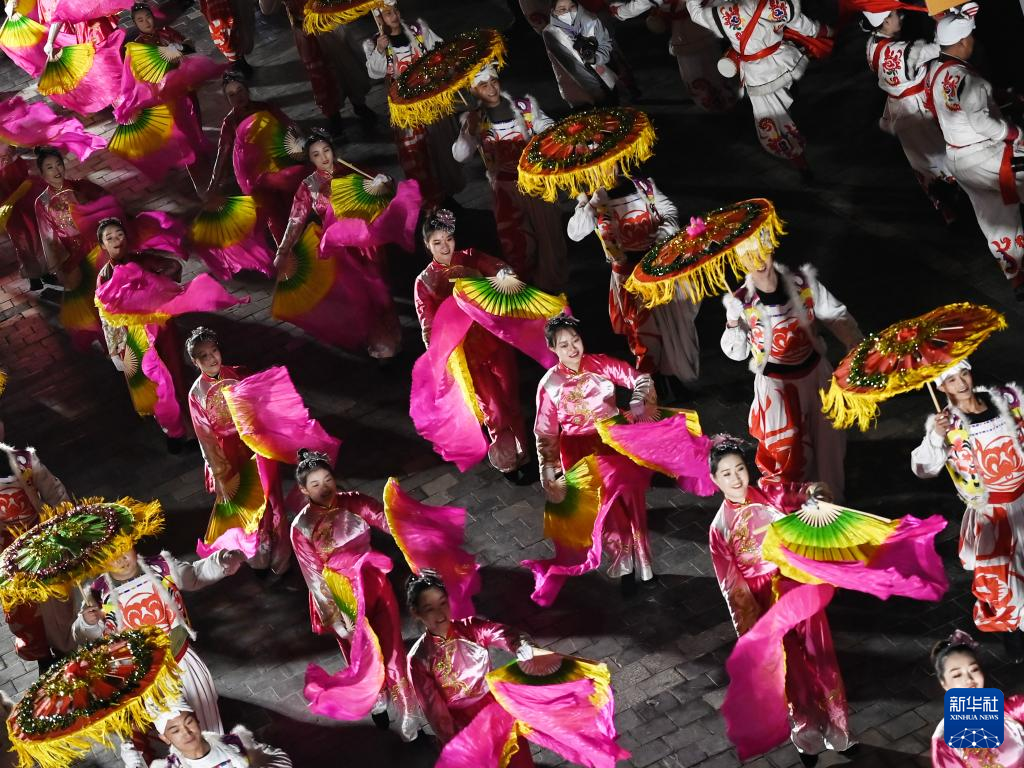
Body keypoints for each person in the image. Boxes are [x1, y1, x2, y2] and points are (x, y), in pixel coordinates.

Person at [707, 436, 851, 766]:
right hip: (763, 603)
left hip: (796, 585)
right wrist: (752, 630)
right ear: (715, 480)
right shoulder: (719, 528)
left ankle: (839, 729)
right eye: (726, 474)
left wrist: (815, 494)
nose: (735, 478)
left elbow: (802, 492)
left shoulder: (769, 492)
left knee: (821, 654)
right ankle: (806, 734)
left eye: (739, 469)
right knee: (791, 671)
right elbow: (731, 584)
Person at [290, 450, 422, 741]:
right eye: (315, 484)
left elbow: (388, 520)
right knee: (362, 654)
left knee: (393, 651)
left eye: (328, 480)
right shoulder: (301, 527)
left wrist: (415, 535)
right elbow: (313, 576)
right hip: (340, 597)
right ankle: (376, 696)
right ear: (303, 490)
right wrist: (337, 619)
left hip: (374, 583)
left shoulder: (355, 502)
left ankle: (409, 712)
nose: (325, 488)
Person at [532, 314, 657, 598]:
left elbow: (639, 378)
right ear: (552, 348)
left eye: (575, 340)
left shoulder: (601, 363)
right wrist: (549, 473)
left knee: (633, 502)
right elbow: (545, 432)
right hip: (579, 452)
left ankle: (645, 565)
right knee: (607, 512)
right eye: (564, 345)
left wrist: (638, 398)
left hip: (614, 440)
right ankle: (624, 568)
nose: (572, 348)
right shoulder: (550, 385)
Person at [721, 253, 861, 500]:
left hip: (816, 378)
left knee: (829, 446)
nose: (757, 260)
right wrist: (732, 321)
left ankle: (832, 505)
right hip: (776, 389)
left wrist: (856, 347)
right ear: (740, 262)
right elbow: (737, 353)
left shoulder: (803, 283)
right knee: (786, 457)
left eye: (761, 250)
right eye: (748, 255)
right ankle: (791, 505)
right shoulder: (741, 301)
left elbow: (837, 316)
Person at [910, 360, 1024, 658]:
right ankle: (1013, 633)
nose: (961, 384)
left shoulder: (1005, 399)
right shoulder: (947, 424)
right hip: (991, 514)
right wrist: (936, 436)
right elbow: (923, 468)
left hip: (1022, 501)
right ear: (941, 387)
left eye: (964, 374)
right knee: (1000, 579)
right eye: (951, 380)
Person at [73, 545, 246, 733]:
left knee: (207, 721)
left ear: (132, 542)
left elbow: (196, 574)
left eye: (123, 548)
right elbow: (86, 635)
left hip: (182, 661)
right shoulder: (97, 593)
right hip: (148, 676)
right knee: (175, 730)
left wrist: (221, 561)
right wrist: (87, 622)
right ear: (100, 560)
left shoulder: (162, 567)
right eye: (111, 554)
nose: (120, 558)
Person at [413, 209, 530, 478]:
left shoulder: (470, 258)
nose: (445, 247)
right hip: (466, 356)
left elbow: (501, 269)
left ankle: (523, 451)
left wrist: (501, 279)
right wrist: (440, 360)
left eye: (449, 239)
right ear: (427, 245)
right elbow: (428, 326)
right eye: (437, 242)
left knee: (510, 398)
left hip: (494, 341)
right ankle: (507, 459)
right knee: (493, 409)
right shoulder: (424, 283)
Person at [273, 131, 401, 360]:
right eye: (316, 154)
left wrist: (386, 183)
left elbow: (386, 192)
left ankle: (392, 339)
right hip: (339, 249)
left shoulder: (352, 170)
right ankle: (379, 346)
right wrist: (284, 249)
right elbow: (296, 218)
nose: (323, 157)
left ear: (333, 150)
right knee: (359, 296)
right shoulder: (309, 185)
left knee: (380, 290)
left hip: (367, 244)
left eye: (326, 151)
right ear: (310, 159)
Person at [926, 5, 1024, 300]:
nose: (973, 42)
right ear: (961, 42)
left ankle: (1017, 279)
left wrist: (1000, 96)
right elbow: (982, 122)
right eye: (970, 38)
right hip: (987, 157)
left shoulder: (934, 72)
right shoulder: (970, 80)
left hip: (959, 160)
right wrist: (1013, 133)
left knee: (995, 219)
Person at [567, 173, 701, 389]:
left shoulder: (642, 185)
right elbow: (575, 233)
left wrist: (662, 237)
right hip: (628, 277)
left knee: (670, 325)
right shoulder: (592, 199)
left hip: (657, 267)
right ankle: (652, 385)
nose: (608, 169)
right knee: (642, 333)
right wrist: (590, 204)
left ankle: (673, 377)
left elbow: (669, 211)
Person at [451, 66, 568, 293]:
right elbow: (460, 155)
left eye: (493, 81)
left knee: (550, 238)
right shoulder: (475, 119)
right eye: (483, 85)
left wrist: (546, 138)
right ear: (473, 91)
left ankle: (552, 290)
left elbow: (549, 128)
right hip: (505, 191)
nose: (491, 88)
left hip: (536, 185)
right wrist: (469, 131)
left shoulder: (525, 107)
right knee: (517, 243)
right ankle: (527, 292)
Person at [186, 327, 292, 576]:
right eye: (204, 356)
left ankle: (281, 555)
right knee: (247, 508)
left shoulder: (239, 373)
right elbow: (205, 437)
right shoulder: (196, 394)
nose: (212, 359)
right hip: (228, 455)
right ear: (195, 362)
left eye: (214, 351)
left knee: (271, 500)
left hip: (254, 445)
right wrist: (220, 472)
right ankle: (258, 558)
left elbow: (261, 405)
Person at [685, 0, 831, 174]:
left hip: (761, 76)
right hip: (784, 62)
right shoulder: (774, 3)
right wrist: (826, 31)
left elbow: (696, 14)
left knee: (775, 124)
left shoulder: (725, 13)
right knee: (784, 104)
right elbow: (804, 25)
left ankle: (801, 163)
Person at [406, 571, 536, 765]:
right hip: (464, 726)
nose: (440, 614)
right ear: (417, 613)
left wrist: (519, 643)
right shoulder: (419, 658)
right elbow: (435, 712)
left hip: (495, 709)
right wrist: (457, 742)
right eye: (429, 608)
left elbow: (498, 632)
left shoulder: (469, 628)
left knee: (517, 759)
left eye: (443, 603)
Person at [95, 217, 195, 452]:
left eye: (119, 234)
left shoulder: (143, 260)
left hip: (162, 330)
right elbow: (106, 317)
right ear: (102, 245)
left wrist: (154, 285)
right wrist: (115, 350)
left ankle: (189, 430)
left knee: (174, 376)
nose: (116, 241)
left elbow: (174, 267)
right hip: (135, 338)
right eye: (109, 238)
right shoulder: (105, 277)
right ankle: (172, 431)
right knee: (153, 386)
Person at [362, 0, 464, 208]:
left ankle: (448, 196)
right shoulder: (376, 43)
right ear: (379, 19)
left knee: (441, 149)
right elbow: (375, 71)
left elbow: (440, 49)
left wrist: (442, 65)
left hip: (430, 103)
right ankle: (431, 202)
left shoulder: (418, 31)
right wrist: (380, 49)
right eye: (388, 13)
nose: (394, 15)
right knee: (418, 155)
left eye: (395, 10)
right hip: (407, 112)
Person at [862, 8, 958, 222]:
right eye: (896, 14)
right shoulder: (905, 52)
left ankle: (945, 208)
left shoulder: (871, 46)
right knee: (947, 149)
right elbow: (943, 47)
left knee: (922, 161)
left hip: (899, 110)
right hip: (921, 107)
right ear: (885, 22)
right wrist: (940, 21)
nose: (902, 16)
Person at [0, 418, 75, 673]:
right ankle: (42, 656)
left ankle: (66, 647)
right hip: (6, 554)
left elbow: (55, 494)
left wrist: (67, 525)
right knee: (23, 609)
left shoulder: (25, 461)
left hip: (40, 540)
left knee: (57, 599)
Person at [206, 72, 299, 244]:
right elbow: (223, 152)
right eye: (231, 95)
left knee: (292, 209)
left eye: (240, 90)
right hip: (257, 177)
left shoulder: (266, 108)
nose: (238, 97)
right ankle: (286, 250)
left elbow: (289, 125)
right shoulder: (230, 122)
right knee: (274, 217)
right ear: (227, 99)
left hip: (280, 166)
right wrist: (213, 184)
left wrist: (300, 142)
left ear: (247, 90)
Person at [258, 0, 372, 139]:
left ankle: (359, 104)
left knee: (348, 63)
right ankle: (334, 116)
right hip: (306, 29)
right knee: (320, 74)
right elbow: (267, 9)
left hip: (330, 18)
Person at [609, 0, 738, 113]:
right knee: (715, 70)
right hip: (707, 30)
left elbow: (638, 6)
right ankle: (727, 101)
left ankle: (714, 107)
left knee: (696, 77)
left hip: (685, 38)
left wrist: (618, 11)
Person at [930, 629, 1024, 766]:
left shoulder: (1009, 710)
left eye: (974, 669)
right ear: (944, 683)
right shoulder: (944, 741)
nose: (969, 679)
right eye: (957, 675)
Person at [121, 699, 293, 767]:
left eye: (189, 722)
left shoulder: (235, 743)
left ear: (198, 721)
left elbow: (281, 758)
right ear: (165, 738)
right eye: (175, 730)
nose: (186, 732)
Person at [542, 0, 620, 107]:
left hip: (607, 81)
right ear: (553, 11)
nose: (568, 12)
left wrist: (596, 58)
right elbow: (572, 67)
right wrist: (595, 91)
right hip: (581, 91)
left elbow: (605, 44)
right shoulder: (551, 32)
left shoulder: (591, 20)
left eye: (572, 6)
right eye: (562, 9)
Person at [0, 142, 46, 291]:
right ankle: (34, 275)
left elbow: (20, 143)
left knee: (38, 231)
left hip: (23, 188)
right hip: (6, 199)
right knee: (21, 238)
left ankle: (45, 270)